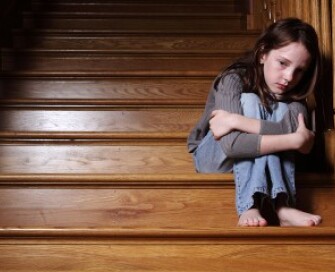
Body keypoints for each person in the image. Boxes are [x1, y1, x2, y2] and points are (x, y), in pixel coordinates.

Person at [187, 18, 322, 227]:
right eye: (283, 63)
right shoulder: (233, 79)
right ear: (262, 54)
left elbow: (291, 130)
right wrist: (295, 141)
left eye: (299, 70)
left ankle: (284, 207)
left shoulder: (294, 97)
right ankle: (249, 204)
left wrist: (235, 120)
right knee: (250, 100)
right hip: (216, 156)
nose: (288, 77)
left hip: (257, 159)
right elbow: (232, 146)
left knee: (283, 108)